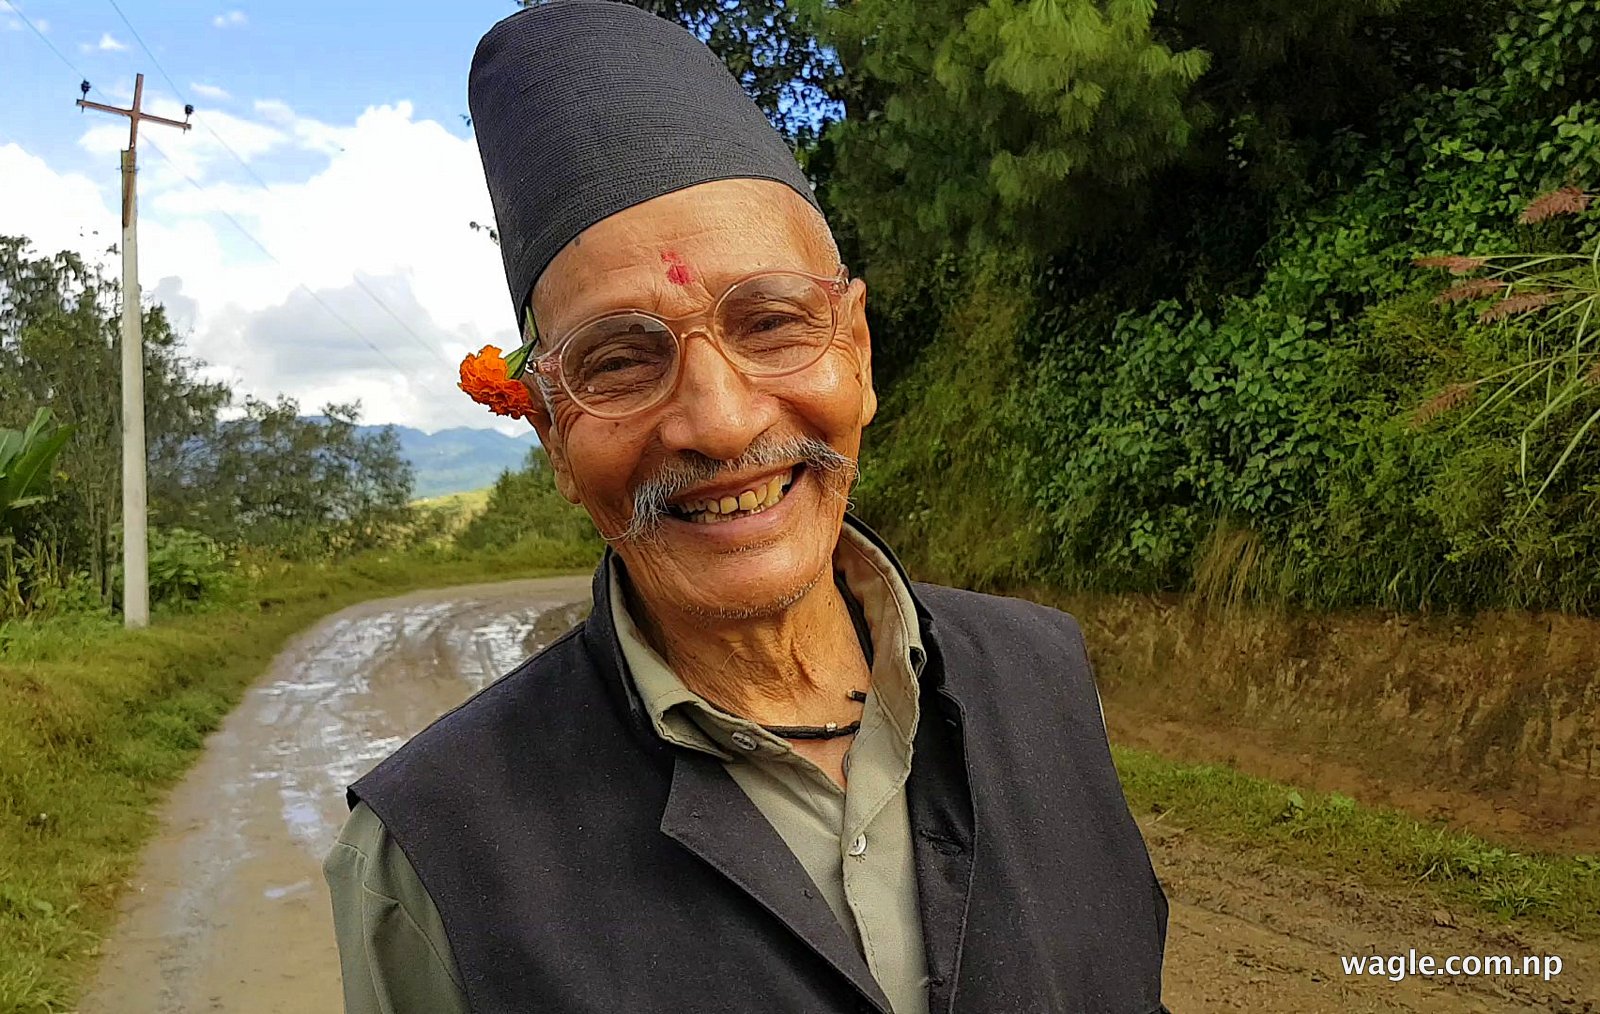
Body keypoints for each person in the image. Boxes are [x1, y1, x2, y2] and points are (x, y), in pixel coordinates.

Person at [323, 3, 1169, 1012]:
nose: (719, 425)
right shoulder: (430, 854)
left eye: (770, 322)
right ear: (553, 436)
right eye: (619, 361)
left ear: (855, 352)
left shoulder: (1042, 679)